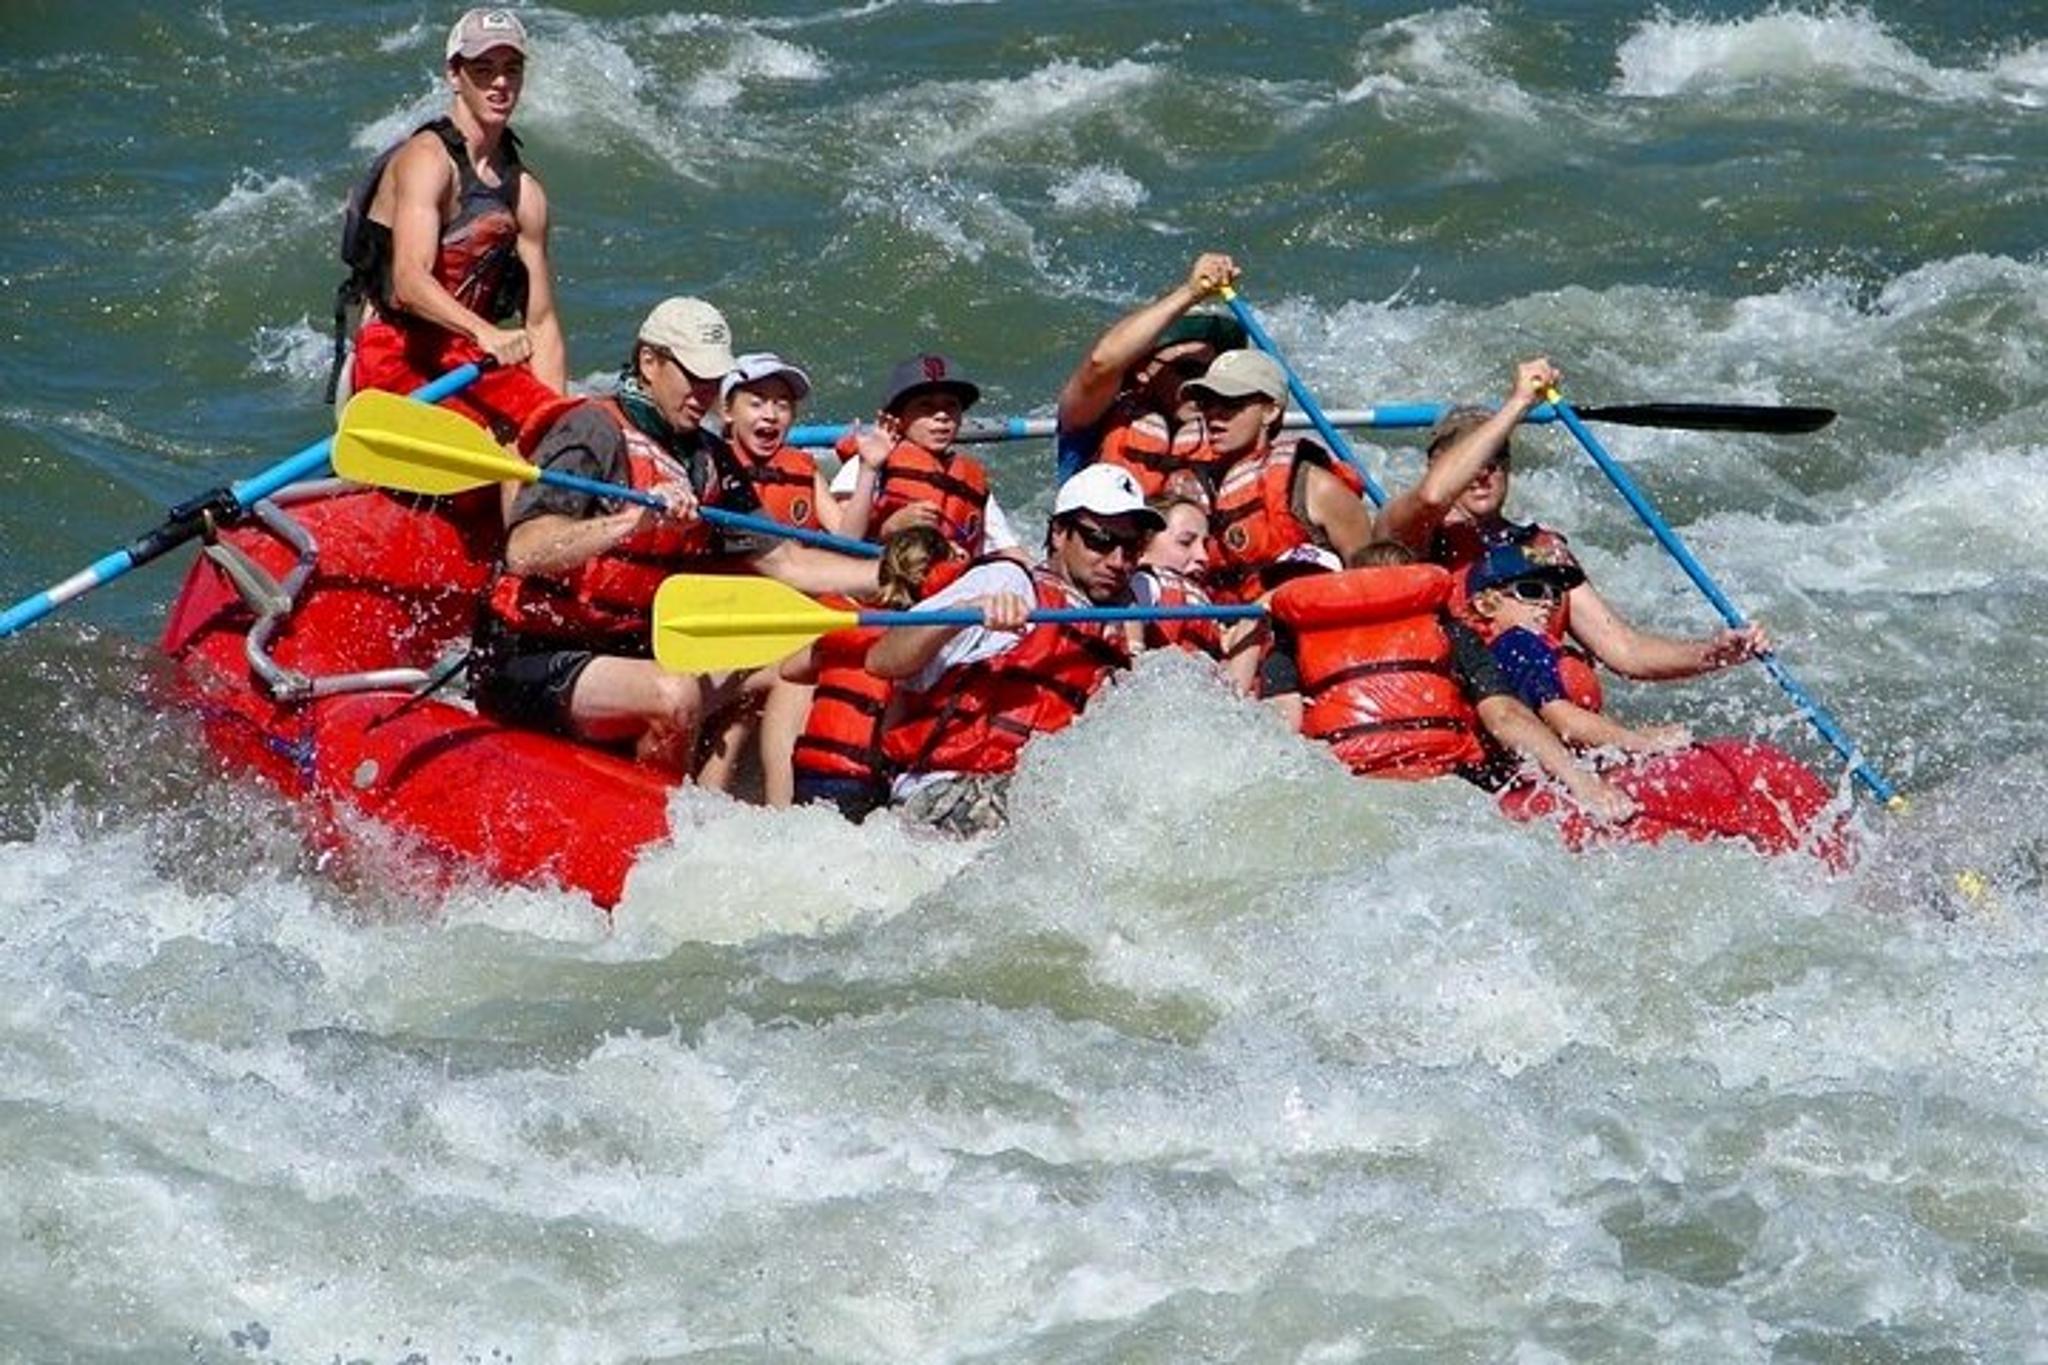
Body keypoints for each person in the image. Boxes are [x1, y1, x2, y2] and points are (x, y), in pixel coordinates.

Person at [469, 298, 878, 771]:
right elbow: (525, 549)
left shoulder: (709, 460)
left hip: (631, 651)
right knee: (675, 694)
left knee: (794, 660)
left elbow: (788, 563)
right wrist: (630, 521)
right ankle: (660, 806)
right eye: (694, 376)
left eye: (713, 379)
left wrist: (888, 575)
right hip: (531, 654)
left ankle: (748, 801)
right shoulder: (591, 428)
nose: (705, 394)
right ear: (650, 362)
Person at [1373, 357, 1767, 706]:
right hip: (1463, 717)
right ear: (1436, 466)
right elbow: (1432, 496)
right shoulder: (1407, 535)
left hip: (1542, 722)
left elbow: (1625, 650)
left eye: (1495, 460)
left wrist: (1713, 653)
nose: (1482, 473)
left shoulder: (1541, 548)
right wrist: (1518, 403)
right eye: (1471, 461)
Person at [865, 464, 1163, 837]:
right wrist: (964, 613)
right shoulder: (1008, 582)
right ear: (1059, 534)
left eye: (1131, 548)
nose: (1117, 561)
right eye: (1100, 540)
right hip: (949, 792)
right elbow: (882, 660)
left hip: (1033, 805)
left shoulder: (1114, 628)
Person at [1269, 541, 1637, 822]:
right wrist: (1581, 782)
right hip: (1445, 792)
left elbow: (1279, 731)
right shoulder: (1449, 631)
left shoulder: (1292, 645)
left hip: (1350, 799)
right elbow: (1505, 716)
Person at [337, 8, 564, 442]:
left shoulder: (526, 193)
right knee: (492, 442)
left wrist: (554, 428)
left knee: (581, 429)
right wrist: (485, 333)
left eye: (511, 70)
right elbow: (409, 281)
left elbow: (543, 324)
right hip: (395, 356)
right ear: (455, 76)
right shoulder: (427, 160)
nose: (500, 83)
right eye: (484, 70)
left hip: (467, 362)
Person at [779, 525, 958, 822]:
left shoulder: (846, 626)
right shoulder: (908, 648)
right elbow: (892, 725)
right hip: (861, 778)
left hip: (809, 771)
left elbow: (790, 669)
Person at [1184, 349, 1376, 605]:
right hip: (1212, 620)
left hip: (1296, 622)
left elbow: (1367, 585)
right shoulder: (1190, 485)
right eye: (1207, 403)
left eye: (1230, 403)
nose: (1214, 414)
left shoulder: (1316, 488)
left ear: (1270, 411)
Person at [1463, 544, 1692, 756]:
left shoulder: (1506, 649)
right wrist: (1643, 744)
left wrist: (1635, 734)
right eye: (1531, 590)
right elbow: (1565, 722)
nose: (1548, 603)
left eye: (1555, 594)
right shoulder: (1518, 644)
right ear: (1485, 604)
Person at [1055, 251, 1248, 489]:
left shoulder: (1235, 431)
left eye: (1212, 373)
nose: (1202, 386)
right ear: (1142, 371)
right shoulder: (1092, 416)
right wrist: (1192, 292)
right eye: (1189, 369)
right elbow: (1102, 363)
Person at [830, 354, 1024, 558]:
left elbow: (1009, 550)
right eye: (926, 405)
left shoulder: (972, 482)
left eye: (951, 405)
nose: (942, 416)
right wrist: (889, 529)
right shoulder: (867, 462)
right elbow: (844, 544)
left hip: (951, 574)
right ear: (898, 417)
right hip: (881, 572)